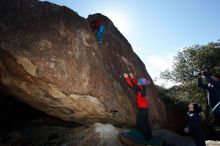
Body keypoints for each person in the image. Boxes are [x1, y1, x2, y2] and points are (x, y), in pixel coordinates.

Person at [123, 73, 153, 141]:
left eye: (139, 82)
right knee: (146, 123)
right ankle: (150, 137)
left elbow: (132, 86)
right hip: (145, 109)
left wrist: (127, 78)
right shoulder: (142, 87)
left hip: (142, 110)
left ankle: (147, 138)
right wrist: (132, 77)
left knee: (140, 125)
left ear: (141, 84)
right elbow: (136, 83)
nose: (138, 82)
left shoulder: (140, 88)